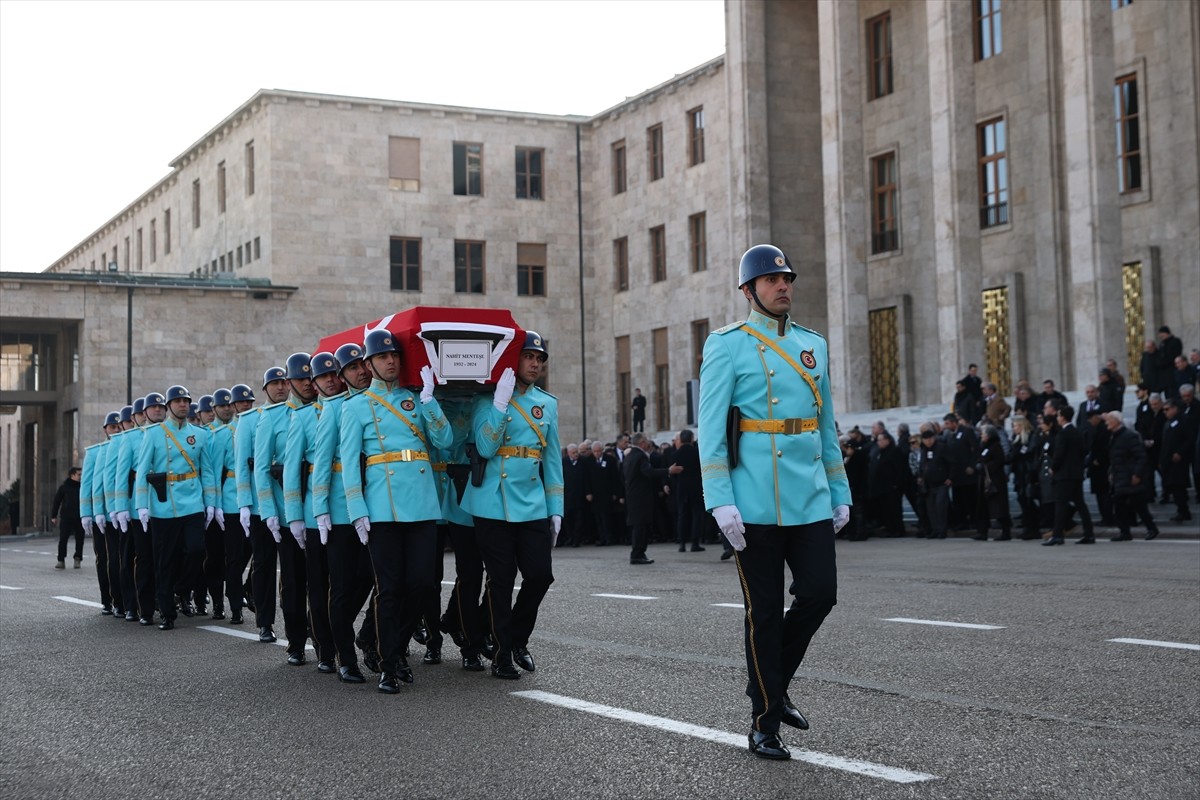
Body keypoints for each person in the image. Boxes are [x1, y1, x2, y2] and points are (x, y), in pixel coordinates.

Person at [697, 244, 850, 761]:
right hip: (753, 500)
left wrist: (840, 490)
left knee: (820, 594)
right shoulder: (727, 345)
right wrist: (719, 499)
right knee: (762, 613)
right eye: (771, 280)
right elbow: (711, 430)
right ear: (748, 291)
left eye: (786, 278)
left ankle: (771, 681)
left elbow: (825, 425)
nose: (782, 286)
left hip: (808, 496)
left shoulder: (814, 345)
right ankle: (764, 720)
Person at [340, 329, 450, 693]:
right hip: (382, 508)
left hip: (420, 502)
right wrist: (357, 509)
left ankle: (396, 645)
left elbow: (444, 442)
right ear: (369, 364)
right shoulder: (355, 406)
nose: (391, 361)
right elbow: (350, 463)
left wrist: (431, 402)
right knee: (390, 588)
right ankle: (389, 663)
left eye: (395, 355)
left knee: (422, 584)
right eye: (382, 356)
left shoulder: (417, 398)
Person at [460, 330, 563, 681]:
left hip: (532, 501)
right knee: (501, 581)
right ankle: (502, 655)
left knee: (540, 576)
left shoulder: (547, 403)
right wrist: (500, 405)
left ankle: (517, 639)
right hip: (492, 502)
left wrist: (557, 506)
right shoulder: (484, 400)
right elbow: (486, 448)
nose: (535, 364)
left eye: (540, 359)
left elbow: (551, 459)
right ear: (512, 360)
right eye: (529, 357)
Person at [312, 342, 378, 682]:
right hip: (340, 511)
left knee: (371, 576)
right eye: (352, 368)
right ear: (342, 376)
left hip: (376, 506)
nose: (361, 372)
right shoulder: (336, 408)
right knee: (340, 584)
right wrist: (320, 509)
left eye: (362, 365)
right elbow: (322, 462)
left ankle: (350, 632)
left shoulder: (379, 402)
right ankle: (345, 656)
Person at [134, 385, 218, 630]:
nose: (183, 404)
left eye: (186, 401)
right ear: (169, 406)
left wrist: (210, 502)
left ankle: (181, 589)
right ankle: (167, 613)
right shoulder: (154, 433)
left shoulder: (200, 434)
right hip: (164, 503)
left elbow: (208, 471)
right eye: (178, 401)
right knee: (164, 560)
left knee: (196, 550)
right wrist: (142, 505)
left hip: (192, 500)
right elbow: (142, 472)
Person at [283, 352, 345, 675]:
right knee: (318, 585)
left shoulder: (350, 407)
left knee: (345, 583)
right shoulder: (304, 418)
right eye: (322, 377)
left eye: (333, 374)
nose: (329, 380)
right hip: (312, 514)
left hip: (346, 509)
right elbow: (292, 470)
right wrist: (294, 515)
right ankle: (324, 646)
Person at [256, 352, 317, 667]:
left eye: (310, 377)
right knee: (293, 581)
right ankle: (295, 640)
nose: (307, 384)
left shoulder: (325, 409)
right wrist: (268, 511)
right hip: (286, 511)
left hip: (322, 508)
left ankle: (321, 636)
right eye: (299, 379)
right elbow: (262, 468)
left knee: (324, 581)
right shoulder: (273, 416)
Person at [237, 366, 290, 644]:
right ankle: (265, 622)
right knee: (264, 563)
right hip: (261, 506)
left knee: (295, 568)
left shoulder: (296, 413)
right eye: (275, 383)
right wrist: (245, 503)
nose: (281, 387)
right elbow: (243, 465)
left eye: (284, 382)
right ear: (265, 389)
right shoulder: (249, 420)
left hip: (292, 504)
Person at [623, 432, 682, 564]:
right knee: (641, 526)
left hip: (633, 496)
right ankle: (637, 554)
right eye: (646, 441)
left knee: (639, 525)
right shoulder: (639, 456)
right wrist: (668, 471)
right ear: (642, 443)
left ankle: (639, 553)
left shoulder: (630, 455)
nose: (648, 443)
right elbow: (649, 472)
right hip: (640, 497)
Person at [1104, 412, 1159, 541]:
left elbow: (1141, 456)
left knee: (1140, 506)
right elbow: (1115, 458)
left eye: (1109, 420)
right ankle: (1125, 532)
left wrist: (1137, 474)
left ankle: (1152, 528)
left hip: (1130, 477)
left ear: (1117, 421)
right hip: (1120, 477)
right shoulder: (1114, 437)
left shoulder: (1129, 436)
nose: (1106, 423)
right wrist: (1111, 472)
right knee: (1119, 506)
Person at [1044, 404, 1094, 545]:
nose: (1057, 418)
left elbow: (1059, 454)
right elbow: (1083, 451)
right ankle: (1089, 533)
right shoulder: (1078, 432)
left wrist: (1054, 467)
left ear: (1063, 417)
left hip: (1064, 475)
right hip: (1076, 473)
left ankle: (1058, 535)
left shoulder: (1063, 434)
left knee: (1060, 504)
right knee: (1080, 504)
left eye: (1059, 416)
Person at [972, 425, 1012, 540]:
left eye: (984, 434)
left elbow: (999, 461)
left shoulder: (996, 446)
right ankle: (982, 532)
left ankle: (1006, 532)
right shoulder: (984, 446)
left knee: (1000, 508)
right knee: (983, 508)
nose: (982, 436)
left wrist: (985, 467)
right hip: (984, 480)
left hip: (995, 481)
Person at [671, 429, 706, 552]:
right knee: (696, 516)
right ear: (691, 439)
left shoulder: (675, 454)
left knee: (682, 516)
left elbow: (672, 473)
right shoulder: (697, 453)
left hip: (682, 488)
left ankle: (682, 543)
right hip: (696, 488)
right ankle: (695, 543)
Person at [1159, 399, 1192, 522]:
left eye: (1167, 409)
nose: (1165, 412)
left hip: (1178, 460)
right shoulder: (1169, 422)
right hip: (1168, 459)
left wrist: (1180, 452)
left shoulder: (1183, 420)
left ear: (1174, 408)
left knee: (1178, 486)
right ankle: (1182, 510)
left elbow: (1189, 439)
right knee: (1174, 487)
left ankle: (1183, 511)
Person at [918, 425, 951, 539]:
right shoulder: (924, 450)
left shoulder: (942, 448)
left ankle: (942, 530)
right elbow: (922, 465)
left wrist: (950, 477)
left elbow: (952, 463)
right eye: (926, 439)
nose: (928, 441)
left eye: (930, 438)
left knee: (940, 507)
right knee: (931, 508)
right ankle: (935, 529)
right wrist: (920, 476)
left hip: (941, 482)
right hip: (929, 484)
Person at [585, 441, 618, 546]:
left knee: (607, 518)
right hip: (595, 495)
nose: (597, 453)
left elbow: (615, 478)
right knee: (598, 519)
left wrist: (615, 492)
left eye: (599, 451)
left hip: (606, 494)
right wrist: (588, 492)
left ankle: (609, 538)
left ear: (602, 450)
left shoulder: (610, 460)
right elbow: (586, 479)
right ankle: (602, 538)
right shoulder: (589, 461)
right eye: (595, 451)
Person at [52, 467, 84, 569]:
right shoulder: (64, 488)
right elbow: (57, 502)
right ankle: (61, 560)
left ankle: (78, 558)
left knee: (80, 539)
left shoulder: (82, 487)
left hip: (79, 517)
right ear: (72, 475)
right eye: (78, 475)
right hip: (66, 517)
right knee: (63, 539)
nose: (80, 477)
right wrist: (54, 516)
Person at [560, 443, 587, 548]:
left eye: (577, 452)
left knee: (579, 520)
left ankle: (577, 540)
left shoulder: (583, 462)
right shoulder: (563, 462)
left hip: (579, 496)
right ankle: (570, 537)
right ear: (568, 453)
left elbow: (586, 478)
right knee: (568, 520)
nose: (576, 454)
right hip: (567, 496)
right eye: (573, 452)